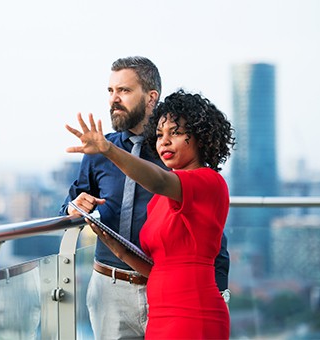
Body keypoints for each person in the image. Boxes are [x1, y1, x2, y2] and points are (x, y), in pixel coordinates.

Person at [59, 56, 230, 339]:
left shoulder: (187, 173)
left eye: (124, 91)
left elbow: (161, 182)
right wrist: (82, 213)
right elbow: (72, 202)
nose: (114, 99)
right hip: (122, 291)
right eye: (111, 91)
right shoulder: (104, 155)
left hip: (185, 308)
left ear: (151, 97)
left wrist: (108, 150)